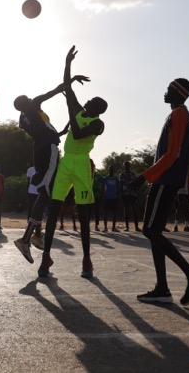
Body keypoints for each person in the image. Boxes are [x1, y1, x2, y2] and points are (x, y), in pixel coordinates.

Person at [131, 78, 189, 306]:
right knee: (153, 230)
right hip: (166, 178)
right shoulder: (177, 113)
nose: (164, 92)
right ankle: (162, 289)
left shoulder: (180, 114)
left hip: (166, 179)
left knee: (149, 230)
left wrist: (143, 177)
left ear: (177, 92)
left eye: (168, 89)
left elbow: (172, 154)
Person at [39, 46, 107, 279]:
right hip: (67, 162)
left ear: (97, 108)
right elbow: (67, 86)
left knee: (84, 214)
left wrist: (70, 111)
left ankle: (86, 260)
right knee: (54, 207)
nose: (85, 99)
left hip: (81, 165)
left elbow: (77, 135)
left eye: (91, 100)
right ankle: (46, 256)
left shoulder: (98, 124)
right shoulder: (79, 110)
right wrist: (68, 64)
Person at [12, 73, 86, 264]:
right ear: (27, 101)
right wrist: (69, 81)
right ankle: (27, 239)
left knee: (47, 190)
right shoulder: (33, 104)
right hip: (48, 148)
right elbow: (53, 91)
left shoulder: (23, 119)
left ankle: (35, 236)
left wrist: (60, 131)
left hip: (41, 149)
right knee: (45, 193)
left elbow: (43, 131)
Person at [119, 161, 141, 232]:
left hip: (132, 194)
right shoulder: (122, 174)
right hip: (125, 194)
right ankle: (127, 227)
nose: (126, 166)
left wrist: (136, 192)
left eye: (127, 165)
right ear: (124, 166)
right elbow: (121, 185)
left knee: (134, 211)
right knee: (126, 211)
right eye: (125, 165)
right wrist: (121, 194)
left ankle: (136, 227)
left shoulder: (133, 174)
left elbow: (136, 184)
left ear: (129, 166)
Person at [102, 165, 120, 232]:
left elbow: (118, 187)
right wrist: (103, 195)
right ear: (108, 170)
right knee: (105, 214)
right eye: (110, 169)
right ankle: (105, 227)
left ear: (114, 171)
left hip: (114, 198)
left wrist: (118, 196)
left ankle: (113, 227)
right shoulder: (105, 178)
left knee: (114, 214)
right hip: (107, 198)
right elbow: (102, 187)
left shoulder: (116, 178)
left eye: (112, 169)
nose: (111, 171)